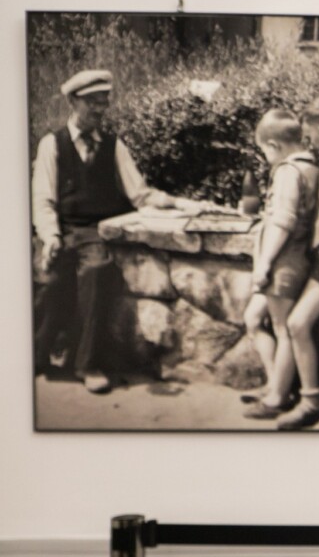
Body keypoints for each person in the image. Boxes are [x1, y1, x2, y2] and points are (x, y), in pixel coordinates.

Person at [31, 68, 209, 393]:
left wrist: (180, 204)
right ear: (73, 102)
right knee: (50, 279)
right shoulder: (52, 145)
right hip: (60, 229)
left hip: (96, 233)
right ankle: (35, 356)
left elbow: (140, 195)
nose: (100, 109)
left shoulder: (114, 146)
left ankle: (88, 364)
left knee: (96, 272)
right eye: (92, 102)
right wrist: (51, 237)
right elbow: (43, 200)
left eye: (104, 102)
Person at [242, 108, 319, 420]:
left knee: (282, 328)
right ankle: (276, 383)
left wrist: (264, 265)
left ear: (274, 145)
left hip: (284, 262)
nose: (265, 157)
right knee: (253, 317)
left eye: (264, 150)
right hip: (294, 260)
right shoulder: (311, 167)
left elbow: (283, 221)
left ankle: (278, 396)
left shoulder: (288, 170)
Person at [275, 98, 319, 430]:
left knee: (296, 324)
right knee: (296, 324)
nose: (311, 141)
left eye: (312, 133)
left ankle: (311, 402)